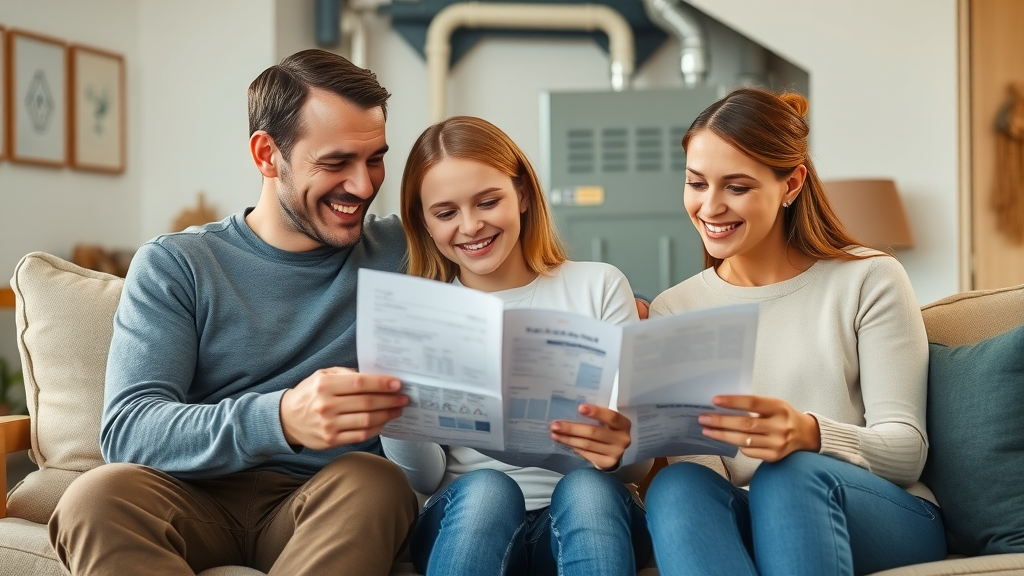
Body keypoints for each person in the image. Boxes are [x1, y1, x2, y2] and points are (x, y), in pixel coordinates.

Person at [48, 49, 419, 576]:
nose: (363, 186)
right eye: (336, 163)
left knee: (377, 481)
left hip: (326, 500)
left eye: (375, 158)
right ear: (267, 155)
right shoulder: (178, 264)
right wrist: (283, 417)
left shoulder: (405, 251)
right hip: (190, 497)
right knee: (94, 497)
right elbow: (131, 429)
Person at [643, 88, 947, 576]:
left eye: (736, 187)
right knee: (677, 488)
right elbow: (702, 474)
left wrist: (808, 433)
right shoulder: (673, 311)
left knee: (787, 474)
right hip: (750, 513)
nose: (710, 207)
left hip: (881, 513)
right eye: (697, 183)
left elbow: (906, 453)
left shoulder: (869, 278)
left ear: (791, 184)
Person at [382, 116, 653, 576]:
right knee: (488, 488)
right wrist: (394, 410)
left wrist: (621, 444)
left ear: (522, 195)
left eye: (488, 201)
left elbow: (635, 471)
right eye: (446, 213)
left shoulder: (600, 285)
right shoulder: (421, 312)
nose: (470, 226)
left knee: (586, 487)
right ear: (424, 222)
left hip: (588, 515)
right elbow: (424, 478)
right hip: (466, 520)